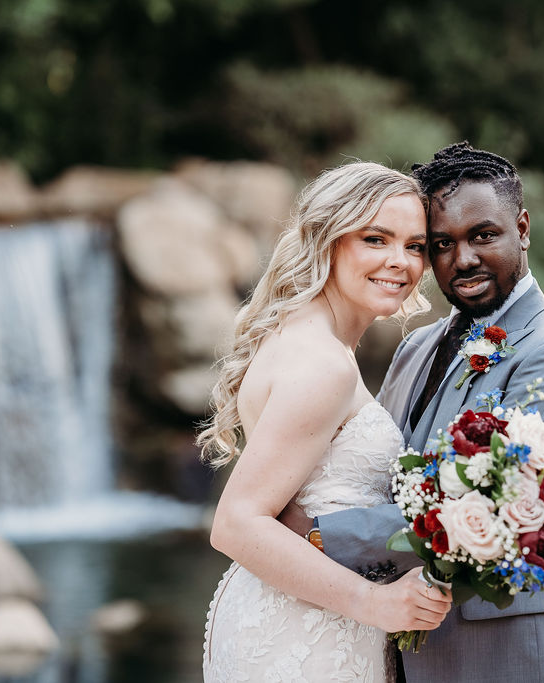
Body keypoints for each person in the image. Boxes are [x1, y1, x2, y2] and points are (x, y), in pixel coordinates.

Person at [284, 143, 544, 682]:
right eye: (442, 244)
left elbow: (492, 509)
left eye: (483, 235)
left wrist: (319, 534)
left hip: (517, 649)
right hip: (412, 637)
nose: (462, 259)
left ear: (523, 228)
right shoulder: (416, 346)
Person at [199, 162, 452, 683]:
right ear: (329, 240)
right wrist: (376, 603)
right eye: (375, 239)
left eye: (415, 246)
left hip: (292, 612)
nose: (399, 262)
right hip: (308, 636)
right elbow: (236, 523)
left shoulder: (305, 335)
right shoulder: (324, 364)